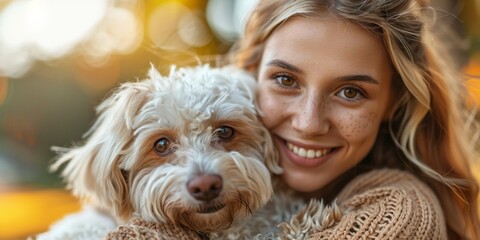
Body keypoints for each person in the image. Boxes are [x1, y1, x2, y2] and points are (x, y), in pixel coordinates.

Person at [230, 0, 480, 239]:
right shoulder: (209, 177)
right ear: (252, 73)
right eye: (286, 80)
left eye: (350, 92)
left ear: (394, 102)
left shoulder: (399, 215)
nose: (308, 124)